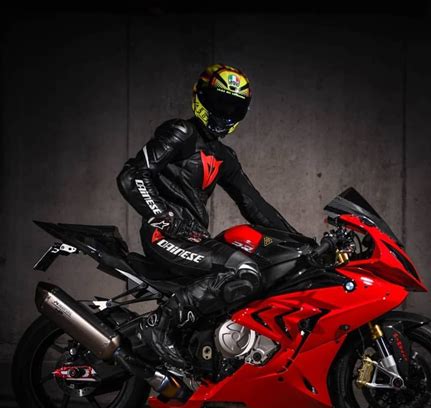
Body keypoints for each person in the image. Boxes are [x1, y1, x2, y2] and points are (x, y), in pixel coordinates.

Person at [117, 64, 298, 368]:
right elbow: (132, 176)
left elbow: (255, 205)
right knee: (245, 271)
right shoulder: (181, 132)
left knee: (255, 268)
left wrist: (301, 243)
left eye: (233, 107)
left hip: (193, 238)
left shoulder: (223, 156)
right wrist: (161, 214)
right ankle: (158, 326)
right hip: (164, 236)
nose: (224, 112)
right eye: (219, 103)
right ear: (200, 98)